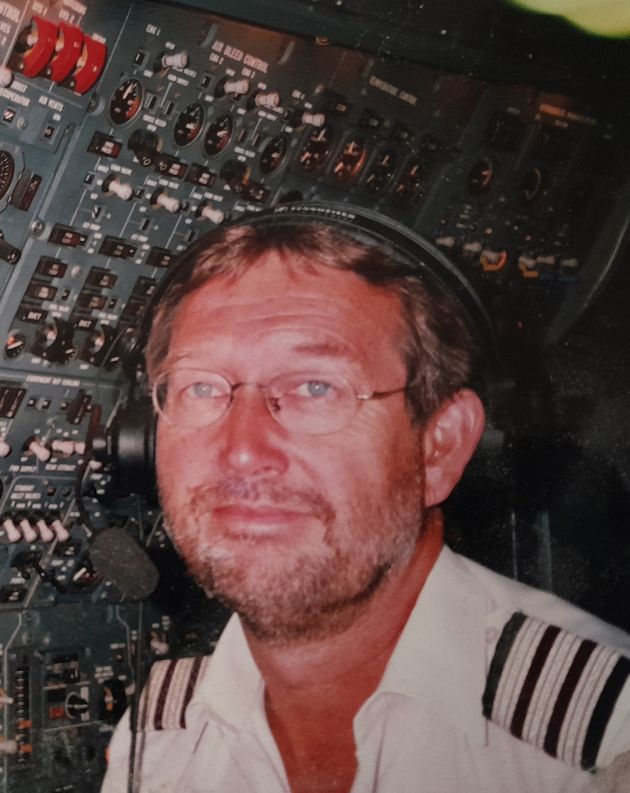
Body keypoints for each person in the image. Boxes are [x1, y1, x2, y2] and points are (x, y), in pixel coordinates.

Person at [100, 203, 630, 793]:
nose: (243, 451)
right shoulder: (158, 740)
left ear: (440, 447)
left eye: (315, 387)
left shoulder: (604, 743)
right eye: (201, 388)